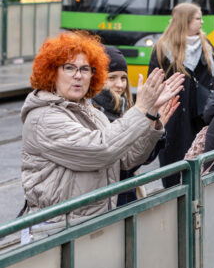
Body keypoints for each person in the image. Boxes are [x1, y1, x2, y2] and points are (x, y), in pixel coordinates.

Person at [21, 31, 184, 221]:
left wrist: (151, 116)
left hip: (95, 222)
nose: (78, 76)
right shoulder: (44, 117)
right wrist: (140, 109)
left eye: (85, 69)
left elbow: (126, 159)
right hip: (58, 230)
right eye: (69, 68)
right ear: (51, 72)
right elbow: (101, 149)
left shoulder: (93, 112)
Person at [148, 2, 214, 187]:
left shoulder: (206, 45)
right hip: (173, 118)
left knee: (203, 166)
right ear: (185, 21)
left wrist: (212, 93)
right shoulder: (162, 49)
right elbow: (154, 82)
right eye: (198, 18)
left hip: (202, 116)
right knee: (174, 168)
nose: (202, 22)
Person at [92, 46, 180, 206]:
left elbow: (141, 159)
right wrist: (146, 116)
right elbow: (123, 163)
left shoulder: (126, 108)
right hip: (107, 204)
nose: (119, 84)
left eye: (123, 78)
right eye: (111, 78)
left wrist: (153, 125)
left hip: (126, 198)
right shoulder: (94, 113)